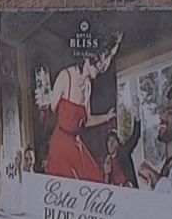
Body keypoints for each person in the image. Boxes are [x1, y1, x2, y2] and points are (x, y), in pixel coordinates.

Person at [38, 30, 122, 182]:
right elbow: (48, 115)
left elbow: (87, 120)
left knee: (96, 180)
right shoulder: (66, 77)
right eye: (105, 58)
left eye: (109, 58)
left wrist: (107, 117)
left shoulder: (88, 85)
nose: (105, 64)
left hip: (76, 144)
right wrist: (42, 106)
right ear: (92, 57)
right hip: (61, 147)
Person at [138, 87, 172, 191]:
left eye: (170, 113)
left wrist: (154, 177)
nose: (161, 117)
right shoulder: (165, 164)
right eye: (164, 112)